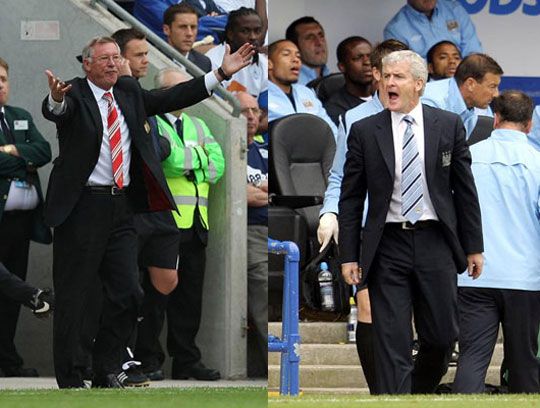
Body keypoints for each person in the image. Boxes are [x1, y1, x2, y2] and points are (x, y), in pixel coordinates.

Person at [41, 35, 253, 389]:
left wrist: (219, 74)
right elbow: (56, 111)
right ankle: (72, 375)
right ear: (87, 64)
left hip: (123, 207)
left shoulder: (127, 93)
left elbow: (173, 96)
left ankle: (108, 367)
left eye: (115, 57)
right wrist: (56, 98)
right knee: (76, 294)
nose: (112, 63)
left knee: (128, 292)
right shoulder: (74, 92)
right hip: (81, 208)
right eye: (104, 58)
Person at [338, 50, 484, 394]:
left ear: (418, 84)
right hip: (388, 243)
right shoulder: (363, 130)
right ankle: (398, 400)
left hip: (436, 241)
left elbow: (465, 191)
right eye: (386, 76)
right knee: (392, 337)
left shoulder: (448, 124)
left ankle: (417, 392)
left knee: (443, 335)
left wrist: (474, 246)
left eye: (398, 77)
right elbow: (351, 198)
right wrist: (349, 255)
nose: (389, 82)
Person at [317, 39, 408, 394]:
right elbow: (339, 175)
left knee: (416, 319)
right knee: (369, 309)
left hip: (418, 230)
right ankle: (380, 391)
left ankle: (411, 382)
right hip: (371, 229)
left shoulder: (430, 114)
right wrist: (330, 211)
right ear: (376, 74)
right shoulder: (355, 118)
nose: (393, 82)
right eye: (388, 73)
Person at [134, 68, 224, 381]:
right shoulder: (152, 121)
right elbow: (166, 162)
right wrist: (198, 161)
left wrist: (191, 163)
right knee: (156, 297)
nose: (182, 94)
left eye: (186, 88)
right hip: (165, 223)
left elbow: (219, 165)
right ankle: (148, 358)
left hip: (197, 222)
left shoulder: (198, 125)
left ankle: (187, 360)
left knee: (189, 299)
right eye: (176, 88)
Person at [453, 90, 540, 394]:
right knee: (525, 364)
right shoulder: (537, 162)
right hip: (525, 278)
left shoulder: (468, 157)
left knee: (472, 359)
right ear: (529, 124)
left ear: (496, 119)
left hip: (474, 274)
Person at [111, 27, 181, 387]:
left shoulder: (142, 98)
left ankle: (148, 352)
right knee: (125, 287)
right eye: (138, 55)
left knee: (166, 281)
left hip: (159, 209)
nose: (145, 60)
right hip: (128, 207)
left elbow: (160, 144)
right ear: (119, 58)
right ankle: (124, 358)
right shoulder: (111, 97)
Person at [0, 57, 52, 378]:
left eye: (3, 78)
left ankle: (7, 359)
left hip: (20, 223)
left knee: (11, 291)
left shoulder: (19, 116)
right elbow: (30, 158)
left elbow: (44, 151)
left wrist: (8, 153)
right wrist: (22, 157)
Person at [236, 91, 267, 377]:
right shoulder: (227, 144)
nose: (250, 117)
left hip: (269, 229)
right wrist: (260, 193)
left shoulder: (265, 150)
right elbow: (239, 195)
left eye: (255, 111)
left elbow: (270, 194)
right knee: (261, 289)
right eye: (243, 111)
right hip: (245, 231)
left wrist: (258, 194)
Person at [422, 53, 503, 138]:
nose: (496, 94)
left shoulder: (471, 110)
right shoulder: (433, 102)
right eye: (492, 86)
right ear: (470, 84)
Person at [267, 39, 337, 138]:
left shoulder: (306, 92)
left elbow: (331, 130)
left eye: (298, 56)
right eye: (286, 54)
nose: (296, 59)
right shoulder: (263, 94)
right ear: (269, 64)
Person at [384, 0, 482, 59]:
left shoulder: (454, 9)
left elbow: (473, 51)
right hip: (426, 88)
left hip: (463, 81)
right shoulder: (395, 30)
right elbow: (405, 71)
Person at [205, 7, 267, 98]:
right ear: (230, 34)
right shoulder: (212, 61)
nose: (253, 37)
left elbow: (265, 107)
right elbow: (215, 105)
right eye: (245, 31)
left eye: (257, 31)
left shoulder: (263, 63)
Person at [323, 36, 373, 126]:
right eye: (358, 58)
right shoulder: (335, 108)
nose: (367, 62)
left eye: (370, 57)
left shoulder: (386, 96)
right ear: (342, 66)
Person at [163, 3, 212, 73]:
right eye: (182, 27)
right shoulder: (153, 56)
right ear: (166, 30)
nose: (189, 33)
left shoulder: (204, 63)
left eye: (193, 27)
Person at [285, 16, 330, 85]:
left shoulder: (335, 78)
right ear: (294, 46)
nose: (319, 43)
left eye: (321, 36)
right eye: (310, 38)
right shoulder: (289, 84)